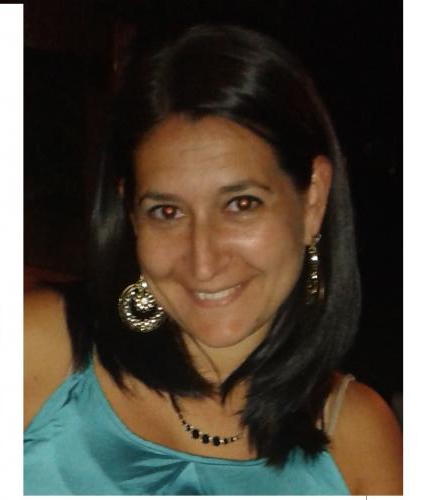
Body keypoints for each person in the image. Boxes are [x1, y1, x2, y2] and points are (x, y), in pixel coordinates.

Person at [24, 24, 402, 495]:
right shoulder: (36, 349)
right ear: (130, 216)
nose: (203, 262)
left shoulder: (358, 439)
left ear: (313, 200)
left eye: (241, 204)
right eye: (167, 212)